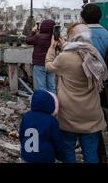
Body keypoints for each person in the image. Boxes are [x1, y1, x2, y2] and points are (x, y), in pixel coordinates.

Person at [45, 23, 107, 163]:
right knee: (91, 153)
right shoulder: (93, 54)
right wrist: (65, 44)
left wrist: (52, 47)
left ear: (72, 37)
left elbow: (49, 66)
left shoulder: (64, 57)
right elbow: (78, 48)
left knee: (68, 151)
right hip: (91, 114)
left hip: (69, 115)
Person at [80, 3, 108, 163]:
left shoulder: (80, 37)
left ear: (83, 18)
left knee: (90, 120)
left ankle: (97, 152)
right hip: (105, 83)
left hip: (86, 83)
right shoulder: (106, 34)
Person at [19, 90, 65, 163]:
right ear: (50, 104)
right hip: (45, 156)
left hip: (27, 155)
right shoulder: (51, 120)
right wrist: (61, 156)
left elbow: (21, 135)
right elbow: (57, 140)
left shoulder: (26, 116)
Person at [26, 19, 57, 93]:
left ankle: (42, 103)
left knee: (41, 87)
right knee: (51, 87)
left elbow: (28, 40)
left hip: (39, 65)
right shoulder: (55, 38)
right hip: (51, 64)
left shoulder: (38, 37)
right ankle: (52, 103)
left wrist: (33, 31)